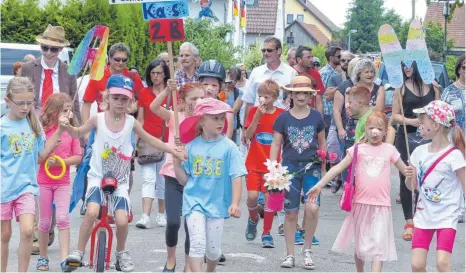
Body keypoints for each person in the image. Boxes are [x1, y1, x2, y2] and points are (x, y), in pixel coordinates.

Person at [63, 75, 184, 272]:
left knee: (121, 220)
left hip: (120, 181)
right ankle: (78, 251)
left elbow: (151, 140)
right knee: (92, 211)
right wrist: (67, 126)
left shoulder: (131, 123)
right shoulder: (98, 119)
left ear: (130, 101)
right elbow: (77, 132)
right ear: (107, 97)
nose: (120, 102)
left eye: (125, 99)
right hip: (97, 177)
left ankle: (121, 253)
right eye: (116, 97)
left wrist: (172, 150)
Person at [307, 112, 408, 272]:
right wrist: (319, 185)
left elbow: (406, 172)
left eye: (379, 129)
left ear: (385, 132)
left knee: (378, 246)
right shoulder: (357, 149)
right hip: (360, 204)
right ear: (365, 129)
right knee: (360, 246)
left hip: (381, 206)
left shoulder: (390, 150)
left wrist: (413, 174)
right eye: (371, 127)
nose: (375, 132)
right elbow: (338, 167)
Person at [20, 24, 79, 254]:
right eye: (45, 48)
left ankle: (48, 226)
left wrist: (78, 134)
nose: (48, 53)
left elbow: (75, 105)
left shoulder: (68, 71)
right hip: (34, 126)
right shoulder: (27, 68)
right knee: (36, 180)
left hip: (60, 128)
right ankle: (36, 234)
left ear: (60, 50)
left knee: (54, 176)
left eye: (53, 49)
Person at [173, 98, 247, 272]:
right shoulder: (190, 147)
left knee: (213, 252)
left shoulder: (229, 148)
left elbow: (237, 176)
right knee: (197, 243)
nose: (220, 122)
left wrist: (235, 203)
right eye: (214, 118)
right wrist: (176, 163)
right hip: (194, 202)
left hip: (217, 204)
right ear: (201, 120)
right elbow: (184, 180)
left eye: (222, 118)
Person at [1, 77, 64, 272]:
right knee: (5, 234)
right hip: (3, 188)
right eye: (20, 103)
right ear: (7, 101)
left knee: (28, 231)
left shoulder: (33, 125)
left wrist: (60, 131)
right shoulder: (2, 127)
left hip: (26, 187)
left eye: (29, 103)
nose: (25, 107)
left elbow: (40, 156)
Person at [269, 76, 326, 269]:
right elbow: (276, 143)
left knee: (312, 208)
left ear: (310, 95)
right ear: (291, 94)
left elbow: (322, 143)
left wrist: (324, 169)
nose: (301, 96)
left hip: (312, 167)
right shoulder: (283, 118)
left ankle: (307, 249)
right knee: (291, 213)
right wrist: (274, 168)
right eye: (297, 92)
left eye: (305, 93)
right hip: (289, 169)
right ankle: (290, 254)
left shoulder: (317, 116)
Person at [150, 82, 206, 272]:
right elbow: (153, 107)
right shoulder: (176, 116)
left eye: (201, 98)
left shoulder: (205, 120)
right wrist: (167, 90)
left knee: (193, 224)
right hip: (173, 176)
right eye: (193, 99)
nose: (198, 102)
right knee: (173, 222)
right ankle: (170, 259)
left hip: (196, 178)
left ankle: (189, 264)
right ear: (182, 101)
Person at [405, 100, 465, 272]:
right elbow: (411, 188)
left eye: (422, 122)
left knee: (442, 263)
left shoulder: (455, 156)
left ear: (436, 125)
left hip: (447, 216)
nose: (419, 125)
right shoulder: (418, 152)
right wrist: (409, 177)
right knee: (417, 265)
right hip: (424, 215)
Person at [391, 61, 439, 241]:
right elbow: (394, 116)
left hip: (427, 139)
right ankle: (409, 221)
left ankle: (420, 218)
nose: (406, 68)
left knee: (425, 177)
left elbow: (438, 112)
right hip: (406, 137)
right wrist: (412, 121)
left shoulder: (433, 86)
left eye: (409, 64)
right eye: (402, 65)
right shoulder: (400, 87)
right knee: (407, 176)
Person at [36, 93, 82, 272]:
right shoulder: (43, 132)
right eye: (64, 110)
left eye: (70, 110)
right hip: (44, 181)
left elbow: (78, 156)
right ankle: (42, 257)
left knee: (63, 218)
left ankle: (64, 259)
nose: (68, 114)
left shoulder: (72, 132)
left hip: (62, 181)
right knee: (45, 222)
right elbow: (39, 158)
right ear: (53, 111)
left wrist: (61, 163)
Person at [243, 79, 285, 248]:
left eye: (267, 96)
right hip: (253, 162)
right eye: (260, 96)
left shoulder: (281, 114)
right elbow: (248, 135)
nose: (263, 100)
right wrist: (257, 117)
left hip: (274, 165)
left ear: (275, 97)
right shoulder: (254, 110)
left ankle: (266, 233)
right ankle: (253, 217)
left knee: (270, 200)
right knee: (252, 197)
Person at [135, 59, 171, 229]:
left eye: (158, 73)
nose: (155, 76)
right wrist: (135, 142)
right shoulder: (144, 92)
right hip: (148, 140)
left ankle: (162, 214)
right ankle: (145, 216)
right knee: (148, 179)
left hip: (167, 141)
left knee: (162, 180)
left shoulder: (172, 93)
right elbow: (140, 120)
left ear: (165, 74)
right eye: (152, 73)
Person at [441, 54, 466, 223]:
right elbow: (442, 116)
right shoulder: (449, 91)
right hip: (456, 137)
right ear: (459, 69)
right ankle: (458, 208)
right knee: (457, 172)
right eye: (465, 67)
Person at [328, 51, 355, 193]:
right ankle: (338, 176)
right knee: (333, 151)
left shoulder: (359, 81)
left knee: (348, 155)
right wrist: (341, 87)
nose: (345, 63)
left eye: (348, 60)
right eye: (342, 60)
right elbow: (327, 96)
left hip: (354, 125)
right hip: (338, 123)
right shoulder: (335, 77)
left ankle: (346, 183)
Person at [198, 60, 234, 139]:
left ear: (220, 87)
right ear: (200, 85)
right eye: (205, 84)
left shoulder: (226, 109)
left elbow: (228, 137)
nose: (209, 88)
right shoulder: (196, 106)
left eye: (214, 85)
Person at [293, 46, 325, 115]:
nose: (311, 60)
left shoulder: (316, 74)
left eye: (312, 57)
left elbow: (319, 101)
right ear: (298, 59)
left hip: (311, 116)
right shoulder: (290, 72)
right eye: (308, 57)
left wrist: (320, 122)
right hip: (292, 115)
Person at [319, 46, 342, 136]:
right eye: (339, 56)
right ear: (331, 58)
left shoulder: (334, 71)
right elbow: (322, 93)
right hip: (326, 112)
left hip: (331, 111)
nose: (341, 59)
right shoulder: (325, 72)